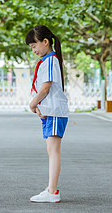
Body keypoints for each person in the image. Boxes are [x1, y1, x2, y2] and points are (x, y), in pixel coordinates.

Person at [26, 25, 69, 203]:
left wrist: (32, 103)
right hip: (50, 112)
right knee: (51, 151)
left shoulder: (50, 61)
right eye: (31, 48)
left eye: (34, 46)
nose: (33, 50)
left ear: (45, 42)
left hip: (54, 112)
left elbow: (45, 88)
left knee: (53, 151)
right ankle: (51, 189)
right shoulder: (48, 60)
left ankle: (52, 191)